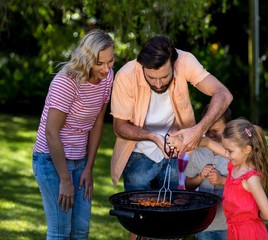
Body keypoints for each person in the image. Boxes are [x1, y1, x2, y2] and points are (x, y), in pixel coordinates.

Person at [110, 35, 232, 240]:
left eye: (164, 77)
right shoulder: (126, 75)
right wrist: (152, 137)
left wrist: (198, 129)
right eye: (151, 77)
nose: (158, 84)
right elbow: (119, 127)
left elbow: (223, 94)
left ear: (173, 64)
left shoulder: (185, 62)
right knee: (139, 223)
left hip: (172, 154)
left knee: (172, 220)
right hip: (137, 155)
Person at [32, 29, 115, 239]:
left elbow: (98, 121)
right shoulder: (67, 82)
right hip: (52, 160)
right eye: (100, 63)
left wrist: (89, 167)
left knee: (80, 231)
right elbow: (51, 132)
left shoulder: (107, 77)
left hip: (80, 159)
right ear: (87, 59)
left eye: (110, 61)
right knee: (60, 232)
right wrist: (65, 179)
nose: (106, 69)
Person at [170, 117, 268, 240]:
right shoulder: (234, 165)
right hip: (233, 230)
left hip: (249, 232)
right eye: (226, 150)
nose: (226, 154)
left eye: (229, 151)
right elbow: (208, 143)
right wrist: (184, 142)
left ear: (247, 150)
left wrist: (250, 218)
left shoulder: (251, 178)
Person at [183, 105, 232, 240]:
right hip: (205, 222)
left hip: (228, 222)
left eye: (216, 130)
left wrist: (221, 180)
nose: (210, 134)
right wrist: (200, 177)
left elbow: (244, 184)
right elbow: (188, 185)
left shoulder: (234, 154)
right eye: (207, 130)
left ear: (228, 127)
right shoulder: (198, 153)